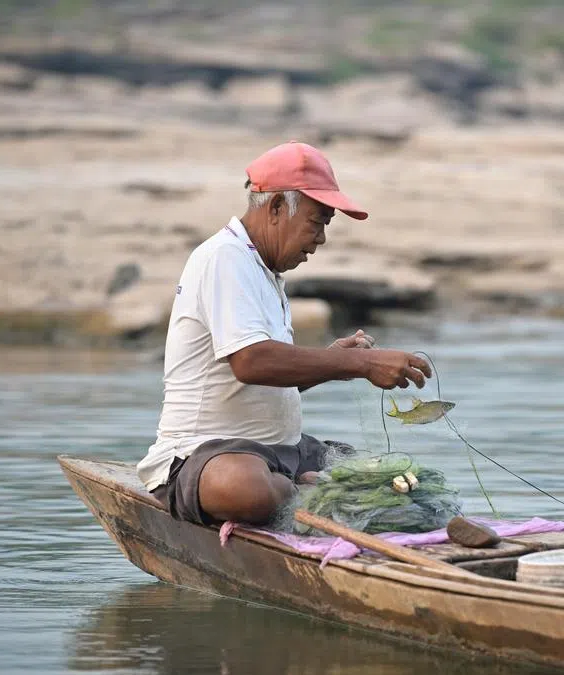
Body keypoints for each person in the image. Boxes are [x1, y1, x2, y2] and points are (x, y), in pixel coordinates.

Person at [137, 141, 432, 527]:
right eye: (317, 222)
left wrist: (333, 362)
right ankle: (301, 490)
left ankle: (299, 484)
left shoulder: (265, 271)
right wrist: (359, 362)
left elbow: (264, 379)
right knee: (244, 489)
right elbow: (251, 362)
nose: (321, 238)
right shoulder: (224, 257)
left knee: (394, 480)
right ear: (276, 207)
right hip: (204, 455)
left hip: (280, 451)